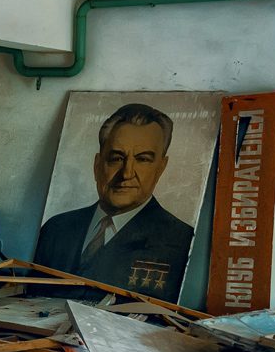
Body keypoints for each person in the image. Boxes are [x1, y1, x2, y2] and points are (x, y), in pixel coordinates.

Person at [34, 103, 193, 303]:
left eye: (143, 159)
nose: (126, 173)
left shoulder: (182, 241)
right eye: (116, 158)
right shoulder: (55, 229)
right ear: (97, 165)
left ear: (161, 168)